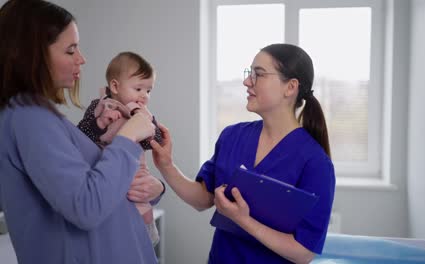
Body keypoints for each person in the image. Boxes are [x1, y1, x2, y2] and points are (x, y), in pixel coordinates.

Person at [0, 1, 160, 263]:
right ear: (32, 54)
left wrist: (154, 187)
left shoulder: (38, 116)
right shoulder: (28, 118)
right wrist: (128, 137)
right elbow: (85, 206)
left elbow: (100, 182)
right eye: (71, 50)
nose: (82, 59)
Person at [151, 43, 335, 263]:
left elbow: (303, 252)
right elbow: (202, 199)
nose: (247, 82)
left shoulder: (315, 162)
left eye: (258, 74)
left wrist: (243, 220)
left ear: (290, 87)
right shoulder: (232, 136)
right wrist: (166, 164)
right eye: (249, 73)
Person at [77, 51, 165, 246]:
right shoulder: (99, 107)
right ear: (115, 86)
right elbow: (81, 137)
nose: (144, 96)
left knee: (140, 227)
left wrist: (146, 123)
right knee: (112, 232)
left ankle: (145, 239)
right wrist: (100, 123)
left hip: (136, 177)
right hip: (105, 175)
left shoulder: (144, 114)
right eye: (138, 88)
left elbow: (156, 142)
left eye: (148, 91)